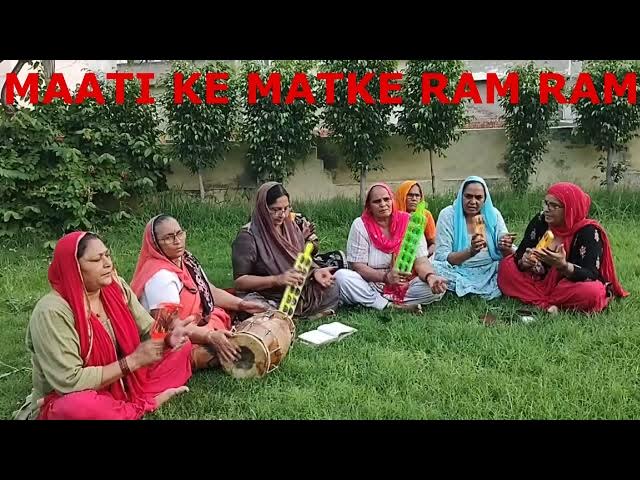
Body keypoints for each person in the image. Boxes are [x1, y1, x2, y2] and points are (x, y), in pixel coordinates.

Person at [18, 232, 191, 420]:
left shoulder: (117, 287)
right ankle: (139, 405)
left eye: (107, 255)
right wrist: (132, 361)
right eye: (96, 260)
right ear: (73, 268)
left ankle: (123, 403)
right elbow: (70, 381)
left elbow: (148, 329)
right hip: (76, 393)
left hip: (125, 381)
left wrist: (167, 338)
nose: (108, 263)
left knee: (182, 349)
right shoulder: (52, 312)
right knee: (75, 407)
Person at [130, 215, 267, 371]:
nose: (177, 240)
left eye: (179, 233)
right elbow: (170, 326)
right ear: (155, 244)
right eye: (168, 238)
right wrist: (209, 336)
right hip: (173, 337)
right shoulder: (161, 277)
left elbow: (208, 290)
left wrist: (242, 305)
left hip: (195, 323)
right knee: (213, 350)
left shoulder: (185, 259)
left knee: (230, 313)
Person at [497, 182, 628, 313]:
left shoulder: (588, 231)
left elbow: (591, 274)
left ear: (570, 209)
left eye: (554, 206)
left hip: (567, 285)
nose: (547, 209)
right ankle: (550, 306)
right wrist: (525, 261)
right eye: (546, 203)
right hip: (538, 280)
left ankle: (542, 302)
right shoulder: (541, 220)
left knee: (594, 292)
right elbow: (521, 252)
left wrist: (563, 266)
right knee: (506, 266)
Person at [231, 182, 340, 319]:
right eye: (275, 209)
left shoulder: (290, 227)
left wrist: (315, 272)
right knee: (253, 305)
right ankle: (288, 316)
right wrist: (277, 280)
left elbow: (300, 260)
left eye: (285, 208)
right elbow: (240, 282)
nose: (282, 215)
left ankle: (290, 316)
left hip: (295, 290)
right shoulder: (248, 236)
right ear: (262, 208)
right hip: (266, 294)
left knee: (332, 287)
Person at [334, 182, 447, 312]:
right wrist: (385, 277)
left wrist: (430, 277)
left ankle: (376, 301)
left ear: (393, 200)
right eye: (377, 201)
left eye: (386, 199)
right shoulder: (360, 225)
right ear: (369, 206)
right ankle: (390, 305)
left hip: (405, 284)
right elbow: (358, 266)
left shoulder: (411, 223)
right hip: (371, 283)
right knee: (342, 277)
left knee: (435, 287)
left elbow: (421, 261)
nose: (383, 204)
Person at [431, 176, 515, 300]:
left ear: (485, 199)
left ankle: (467, 289)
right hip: (458, 269)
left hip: (490, 268)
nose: (473, 202)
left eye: (478, 197)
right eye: (468, 196)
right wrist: (470, 252)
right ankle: (475, 288)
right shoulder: (448, 215)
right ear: (461, 196)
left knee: (515, 265)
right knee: (434, 268)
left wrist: (505, 245)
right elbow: (443, 257)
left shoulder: (493, 214)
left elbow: (507, 249)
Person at [394, 180, 437, 256]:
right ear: (402, 196)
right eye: (410, 195)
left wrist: (425, 255)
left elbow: (434, 243)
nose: (414, 199)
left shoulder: (426, 215)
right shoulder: (394, 216)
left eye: (417, 195)